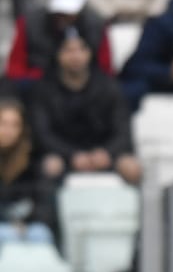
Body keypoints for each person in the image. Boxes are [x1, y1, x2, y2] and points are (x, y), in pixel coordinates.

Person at [31, 31, 143, 185]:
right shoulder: (44, 89)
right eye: (68, 50)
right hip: (62, 153)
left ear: (90, 53)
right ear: (58, 54)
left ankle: (132, 210)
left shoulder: (109, 87)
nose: (75, 56)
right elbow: (42, 134)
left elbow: (123, 132)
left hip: (104, 152)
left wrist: (106, 152)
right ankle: (46, 209)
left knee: (132, 168)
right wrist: (71, 154)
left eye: (81, 49)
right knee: (50, 166)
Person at [0, 97, 57, 246]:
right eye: (3, 123)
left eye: (15, 125)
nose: (8, 131)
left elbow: (45, 205)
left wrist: (23, 225)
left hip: (29, 226)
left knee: (40, 234)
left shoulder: (34, 160)